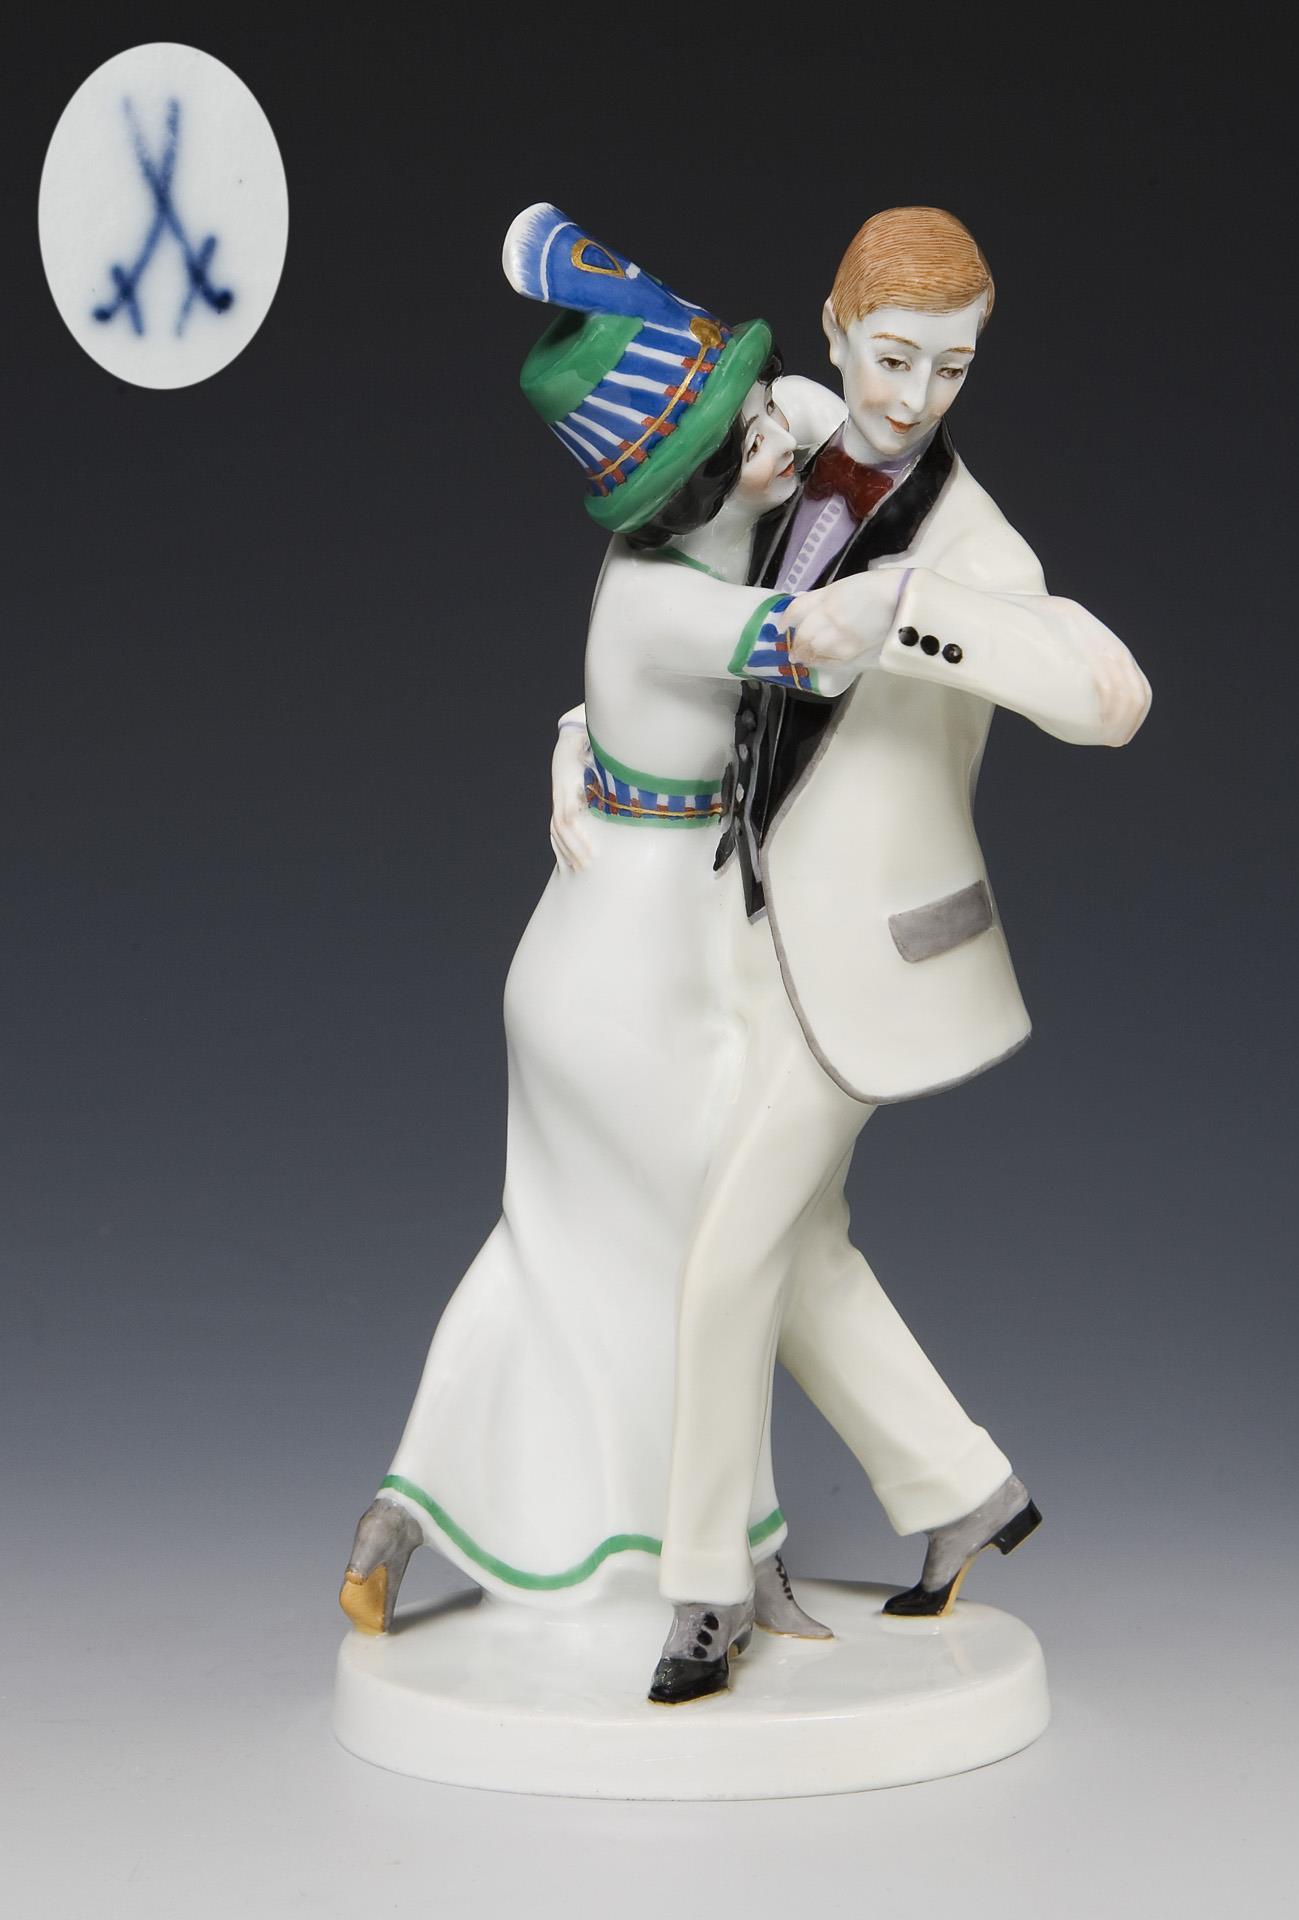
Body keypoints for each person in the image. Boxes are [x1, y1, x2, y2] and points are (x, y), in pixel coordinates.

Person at [636, 208, 1152, 1704]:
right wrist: (582, 734)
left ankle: (704, 1582)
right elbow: (670, 604)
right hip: (739, 922)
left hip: (869, 960)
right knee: (801, 1255)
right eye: (891, 356)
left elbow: (1108, 698)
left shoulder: (979, 548)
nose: (915, 396)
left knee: (725, 1252)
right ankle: (962, 1490)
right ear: (833, 326)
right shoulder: (789, 438)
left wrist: (908, 607)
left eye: (953, 367)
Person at [338, 206, 855, 1639]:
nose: (778, 427)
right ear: (697, 485)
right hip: (637, 976)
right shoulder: (679, 608)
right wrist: (972, 604)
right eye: (747, 431)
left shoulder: (663, 571)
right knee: (719, 1255)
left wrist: (573, 741)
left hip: (600, 948)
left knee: (553, 1255)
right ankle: (734, 1560)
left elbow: (804, 428)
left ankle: (401, 1515)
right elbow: (821, 644)